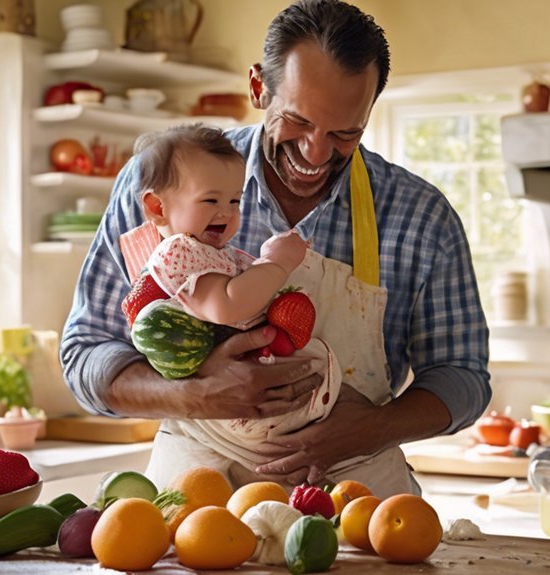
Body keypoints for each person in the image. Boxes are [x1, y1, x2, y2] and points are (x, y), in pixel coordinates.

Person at [62, 0, 491, 497]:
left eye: (344, 133)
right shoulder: (162, 188)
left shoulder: (421, 217)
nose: (315, 153)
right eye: (299, 122)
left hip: (354, 482)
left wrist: (372, 426)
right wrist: (196, 395)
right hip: (196, 486)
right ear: (257, 88)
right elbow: (86, 354)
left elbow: (463, 379)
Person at [121, 124, 342, 443]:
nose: (226, 213)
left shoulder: (214, 251)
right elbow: (226, 306)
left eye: (235, 201)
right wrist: (276, 262)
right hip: (227, 412)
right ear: (158, 208)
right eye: (210, 200)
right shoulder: (181, 251)